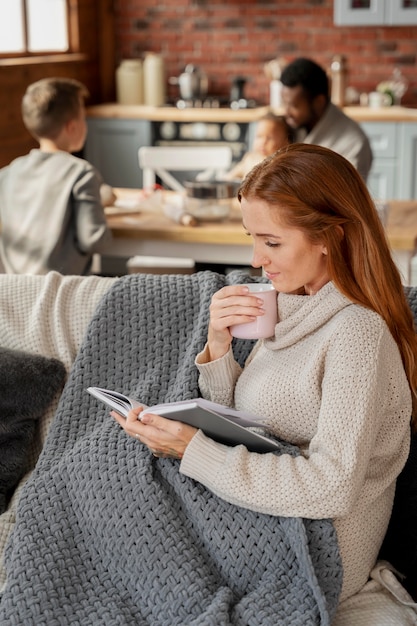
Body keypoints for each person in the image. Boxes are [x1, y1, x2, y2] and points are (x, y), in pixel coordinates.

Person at [114, 143, 417, 617]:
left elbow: (330, 487)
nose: (257, 259)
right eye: (252, 237)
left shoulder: (357, 333)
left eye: (272, 242)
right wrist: (217, 346)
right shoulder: (291, 303)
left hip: (316, 549)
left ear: (330, 237)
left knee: (107, 486)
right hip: (263, 514)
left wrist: (193, 451)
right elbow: (249, 420)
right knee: (111, 469)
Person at [0, 77, 114, 275]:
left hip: (13, 294)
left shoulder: (8, 173)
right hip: (60, 294)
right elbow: (94, 239)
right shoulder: (81, 173)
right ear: (72, 127)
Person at [280, 57, 373, 182]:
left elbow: (346, 198)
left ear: (319, 102)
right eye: (284, 103)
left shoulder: (354, 143)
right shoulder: (288, 126)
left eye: (294, 106)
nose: (286, 112)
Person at [223, 112, 294, 180]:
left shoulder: (283, 164)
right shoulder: (249, 159)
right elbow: (229, 178)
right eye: (259, 136)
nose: (263, 142)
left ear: (286, 142)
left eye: (269, 138)